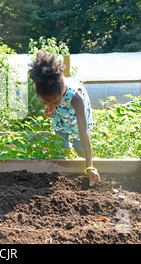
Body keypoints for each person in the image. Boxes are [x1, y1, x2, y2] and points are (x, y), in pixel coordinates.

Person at [28, 52, 101, 186]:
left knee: (79, 144)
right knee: (60, 144)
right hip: (61, 116)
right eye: (44, 103)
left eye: (54, 102)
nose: (49, 105)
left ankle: (84, 168)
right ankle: (62, 173)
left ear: (62, 90)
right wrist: (52, 106)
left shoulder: (76, 98)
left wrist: (90, 165)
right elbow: (51, 100)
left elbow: (83, 133)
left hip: (75, 115)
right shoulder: (47, 88)